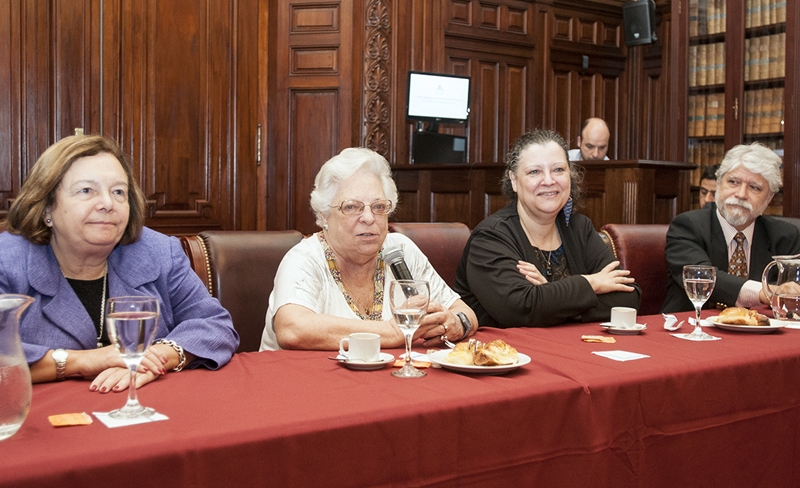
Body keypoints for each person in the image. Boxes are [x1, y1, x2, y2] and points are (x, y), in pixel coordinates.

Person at [0, 135, 239, 391]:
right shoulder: (7, 260)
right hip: (40, 417)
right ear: (47, 207)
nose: (107, 204)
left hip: (145, 409)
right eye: (86, 190)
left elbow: (215, 325)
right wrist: (82, 362)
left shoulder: (157, 251)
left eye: (118, 192)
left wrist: (153, 359)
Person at [260, 147, 478, 351]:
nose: (368, 218)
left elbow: (464, 311)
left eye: (378, 207)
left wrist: (458, 323)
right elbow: (292, 329)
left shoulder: (400, 250)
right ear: (324, 215)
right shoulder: (304, 258)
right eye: (352, 207)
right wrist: (392, 332)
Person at [454, 130, 641, 328]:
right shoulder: (491, 237)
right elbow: (521, 309)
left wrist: (551, 296)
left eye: (558, 170)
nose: (549, 181)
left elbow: (629, 298)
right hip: (507, 354)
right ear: (514, 181)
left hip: (573, 348)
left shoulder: (579, 227)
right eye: (534, 172)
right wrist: (591, 283)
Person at [662, 142, 800, 312]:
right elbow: (703, 278)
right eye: (733, 182)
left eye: (754, 187)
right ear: (719, 183)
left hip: (758, 333)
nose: (741, 194)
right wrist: (768, 292)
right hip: (692, 328)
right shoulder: (688, 226)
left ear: (770, 197)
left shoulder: (785, 236)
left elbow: (792, 293)